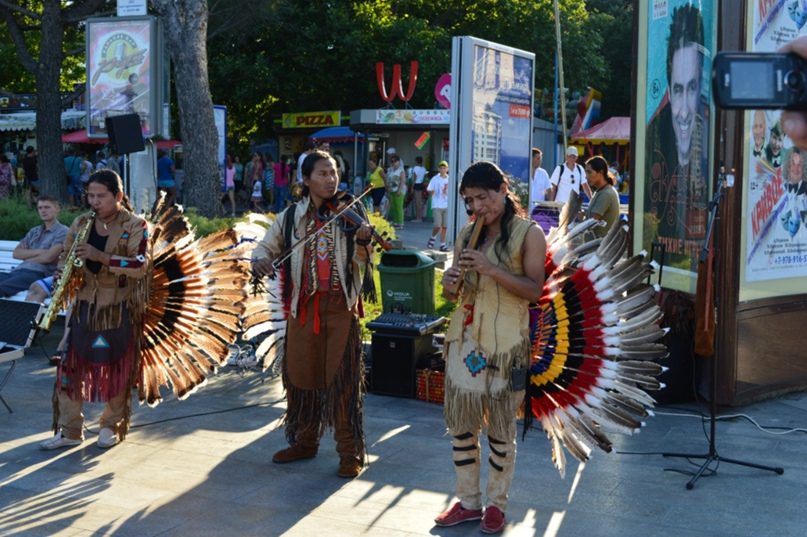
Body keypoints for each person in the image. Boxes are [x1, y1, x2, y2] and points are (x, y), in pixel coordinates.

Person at [436, 161, 545, 534]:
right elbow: (453, 294)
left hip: (507, 345)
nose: (478, 207)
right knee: (462, 426)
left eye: (483, 197)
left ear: (502, 190)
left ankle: (496, 505)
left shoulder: (528, 234)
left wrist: (491, 268)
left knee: (500, 429)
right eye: (470, 201)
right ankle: (468, 501)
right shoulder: (467, 234)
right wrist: (450, 282)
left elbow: (535, 291)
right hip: (465, 342)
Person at [250, 150, 375, 479]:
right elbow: (267, 246)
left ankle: (349, 451)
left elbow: (363, 260)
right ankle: (305, 441)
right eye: (322, 174)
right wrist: (258, 259)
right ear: (305, 180)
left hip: (339, 308)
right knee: (301, 378)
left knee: (343, 382)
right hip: (303, 308)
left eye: (334, 172)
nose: (331, 179)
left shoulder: (352, 210)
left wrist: (363, 242)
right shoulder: (291, 217)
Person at [39, 170, 150, 450]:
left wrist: (101, 256)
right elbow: (66, 254)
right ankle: (70, 431)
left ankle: (111, 425)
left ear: (118, 196)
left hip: (118, 306)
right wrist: (62, 270)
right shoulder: (81, 222)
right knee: (68, 369)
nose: (95, 201)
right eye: (91, 195)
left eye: (101, 196)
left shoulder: (136, 224)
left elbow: (140, 265)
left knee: (117, 368)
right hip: (85, 303)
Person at [0, 196, 68, 298]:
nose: (43, 211)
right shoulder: (34, 231)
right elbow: (16, 253)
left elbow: (48, 257)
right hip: (17, 271)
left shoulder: (63, 231)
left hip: (36, 273)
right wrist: (43, 251)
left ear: (57, 209)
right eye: (40, 208)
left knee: (2, 288)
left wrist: (26, 256)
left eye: (47, 207)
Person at [25, 276, 71, 366]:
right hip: (71, 274)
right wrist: (60, 270)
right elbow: (61, 262)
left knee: (79, 298)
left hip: (96, 277)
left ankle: (64, 344)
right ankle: (23, 338)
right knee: (36, 287)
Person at [584, 156, 621, 239]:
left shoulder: (605, 194)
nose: (586, 176)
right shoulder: (602, 191)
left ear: (600, 173)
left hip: (599, 248)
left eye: (589, 172)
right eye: (586, 172)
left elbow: (591, 223)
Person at [426, 161, 450, 251]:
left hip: (446, 205)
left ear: (447, 169)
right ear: (438, 169)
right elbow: (429, 189)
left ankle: (442, 244)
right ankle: (433, 237)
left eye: (445, 168)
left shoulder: (449, 179)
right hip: (437, 204)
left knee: (445, 226)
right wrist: (431, 192)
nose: (443, 170)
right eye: (441, 168)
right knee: (437, 225)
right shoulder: (435, 179)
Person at [153, 149, 177, 213]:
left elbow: (157, 171)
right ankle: (167, 208)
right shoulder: (169, 160)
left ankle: (160, 208)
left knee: (163, 196)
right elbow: (173, 170)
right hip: (168, 180)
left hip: (161, 181)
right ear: (167, 154)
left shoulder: (158, 161)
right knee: (173, 194)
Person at [387, 154, 406, 229]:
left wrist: (399, 190)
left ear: (398, 162)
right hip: (392, 190)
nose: (394, 163)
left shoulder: (401, 170)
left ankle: (400, 223)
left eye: (395, 161)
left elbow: (402, 181)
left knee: (399, 207)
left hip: (399, 190)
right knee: (394, 207)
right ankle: (396, 222)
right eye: (392, 161)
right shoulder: (391, 170)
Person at [411, 156, 427, 222]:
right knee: (419, 201)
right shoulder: (423, 168)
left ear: (417, 161)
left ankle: (417, 218)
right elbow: (424, 176)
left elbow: (415, 177)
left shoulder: (416, 168)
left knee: (417, 202)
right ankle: (420, 218)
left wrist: (412, 186)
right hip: (421, 183)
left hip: (416, 184)